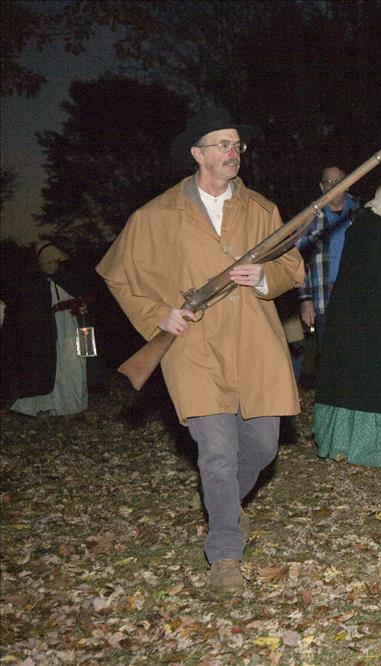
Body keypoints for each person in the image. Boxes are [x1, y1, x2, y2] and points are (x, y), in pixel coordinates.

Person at [97, 106, 304, 592]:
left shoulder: (262, 210)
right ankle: (225, 554)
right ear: (197, 154)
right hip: (194, 348)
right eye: (223, 145)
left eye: (237, 145)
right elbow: (117, 274)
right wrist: (157, 315)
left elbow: (291, 266)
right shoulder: (156, 215)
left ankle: (225, 508)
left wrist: (264, 277)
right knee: (217, 453)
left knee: (262, 447)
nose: (234, 152)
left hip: (255, 343)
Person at [313, 179, 381, 468]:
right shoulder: (375, 235)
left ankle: (346, 446)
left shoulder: (370, 230)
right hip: (374, 330)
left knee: (357, 388)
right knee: (377, 389)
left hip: (365, 328)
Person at [6, 243, 90, 416]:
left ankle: (71, 403)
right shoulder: (31, 281)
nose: (53, 266)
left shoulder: (66, 277)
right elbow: (29, 312)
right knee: (48, 365)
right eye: (49, 262)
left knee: (72, 361)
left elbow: (80, 295)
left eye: (56, 262)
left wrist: (80, 305)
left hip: (70, 324)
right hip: (46, 331)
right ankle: (44, 404)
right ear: (40, 263)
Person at [296, 165, 360, 349]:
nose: (334, 186)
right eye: (329, 182)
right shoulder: (309, 217)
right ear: (322, 187)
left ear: (347, 183)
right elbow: (296, 260)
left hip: (358, 298)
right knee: (329, 355)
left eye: (338, 181)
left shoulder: (361, 212)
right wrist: (305, 299)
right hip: (324, 299)